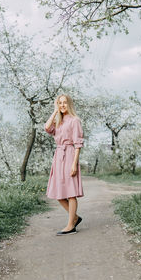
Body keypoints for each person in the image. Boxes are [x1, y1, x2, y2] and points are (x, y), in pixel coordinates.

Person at [44, 94, 84, 236]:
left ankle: (70, 225)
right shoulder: (58, 122)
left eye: (65, 103)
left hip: (69, 155)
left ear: (69, 104)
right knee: (59, 194)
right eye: (59, 103)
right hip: (58, 156)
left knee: (71, 192)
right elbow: (47, 128)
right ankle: (75, 217)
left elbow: (78, 143)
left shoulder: (75, 120)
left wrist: (74, 163)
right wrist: (55, 112)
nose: (62, 105)